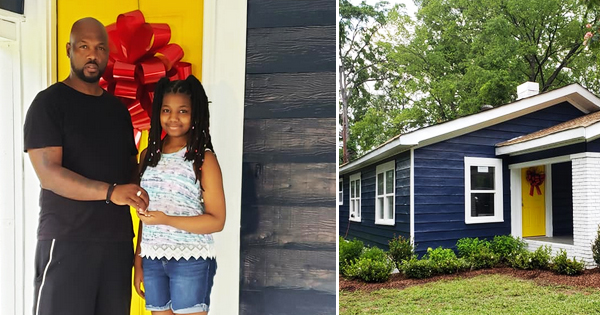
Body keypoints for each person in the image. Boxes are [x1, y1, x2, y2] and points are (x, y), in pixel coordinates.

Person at [23, 17, 149, 315]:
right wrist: (111, 192)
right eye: (84, 46)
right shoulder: (49, 104)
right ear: (69, 49)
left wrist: (155, 163)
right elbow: (49, 175)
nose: (93, 55)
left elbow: (129, 174)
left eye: (100, 48)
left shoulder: (119, 111)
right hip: (67, 239)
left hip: (117, 243)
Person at [133, 75, 226, 315]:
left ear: (195, 115)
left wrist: (167, 220)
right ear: (158, 113)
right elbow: (146, 214)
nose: (173, 118)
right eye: (166, 110)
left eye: (183, 111)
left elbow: (217, 220)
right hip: (153, 258)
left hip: (191, 259)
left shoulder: (203, 159)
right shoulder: (147, 157)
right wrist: (139, 258)